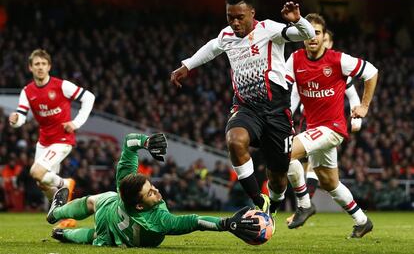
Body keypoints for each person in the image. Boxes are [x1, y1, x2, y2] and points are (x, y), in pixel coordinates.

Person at [170, 0, 315, 224]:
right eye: (230, 17)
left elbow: (304, 35)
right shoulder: (226, 35)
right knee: (234, 140)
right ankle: (258, 200)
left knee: (277, 177)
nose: (235, 23)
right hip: (246, 108)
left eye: (240, 17)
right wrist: (187, 65)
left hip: (277, 111)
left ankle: (273, 205)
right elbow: (212, 47)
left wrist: (298, 20)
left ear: (252, 13)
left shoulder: (269, 29)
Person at [46, 133, 263, 247]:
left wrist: (145, 142)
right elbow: (195, 221)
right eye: (151, 192)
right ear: (139, 204)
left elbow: (129, 142)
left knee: (93, 202)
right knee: (93, 237)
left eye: (152, 186)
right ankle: (63, 233)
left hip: (111, 210)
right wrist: (227, 224)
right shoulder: (159, 221)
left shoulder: (125, 185)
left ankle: (55, 214)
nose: (157, 191)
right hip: (115, 235)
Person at [284, 13, 378, 238]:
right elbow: (285, 90)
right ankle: (362, 221)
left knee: (283, 153)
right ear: (301, 36)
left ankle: (304, 205)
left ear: (324, 36)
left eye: (317, 32)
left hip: (333, 128)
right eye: (307, 32)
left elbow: (371, 72)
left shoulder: (338, 60)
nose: (312, 37)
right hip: (314, 129)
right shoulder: (295, 60)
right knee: (330, 183)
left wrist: (362, 108)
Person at [9, 49, 95, 227]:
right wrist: (16, 120)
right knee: (42, 183)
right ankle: (66, 216)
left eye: (43, 64)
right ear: (30, 68)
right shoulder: (27, 91)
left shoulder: (61, 85)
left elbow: (89, 97)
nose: (40, 67)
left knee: (36, 172)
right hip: (44, 141)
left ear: (49, 66)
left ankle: (65, 183)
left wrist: (76, 123)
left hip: (62, 139)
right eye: (36, 64)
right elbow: (21, 115)